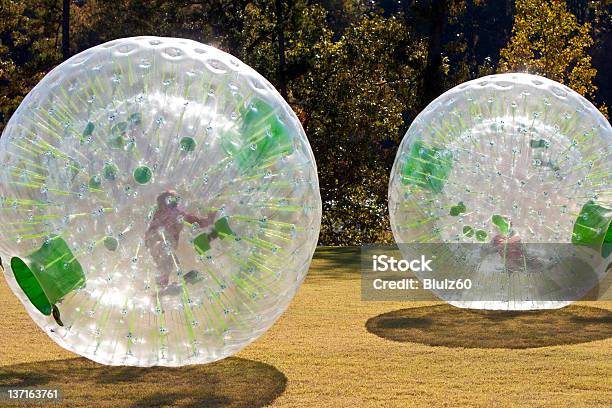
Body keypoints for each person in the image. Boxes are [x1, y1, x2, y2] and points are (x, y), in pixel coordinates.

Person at [145, 190, 216, 287]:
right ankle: (162, 284)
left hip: (156, 242)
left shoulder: (170, 214)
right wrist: (209, 220)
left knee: (167, 263)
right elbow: (196, 222)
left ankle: (162, 285)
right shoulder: (168, 214)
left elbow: (196, 222)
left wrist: (209, 220)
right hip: (159, 241)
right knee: (167, 262)